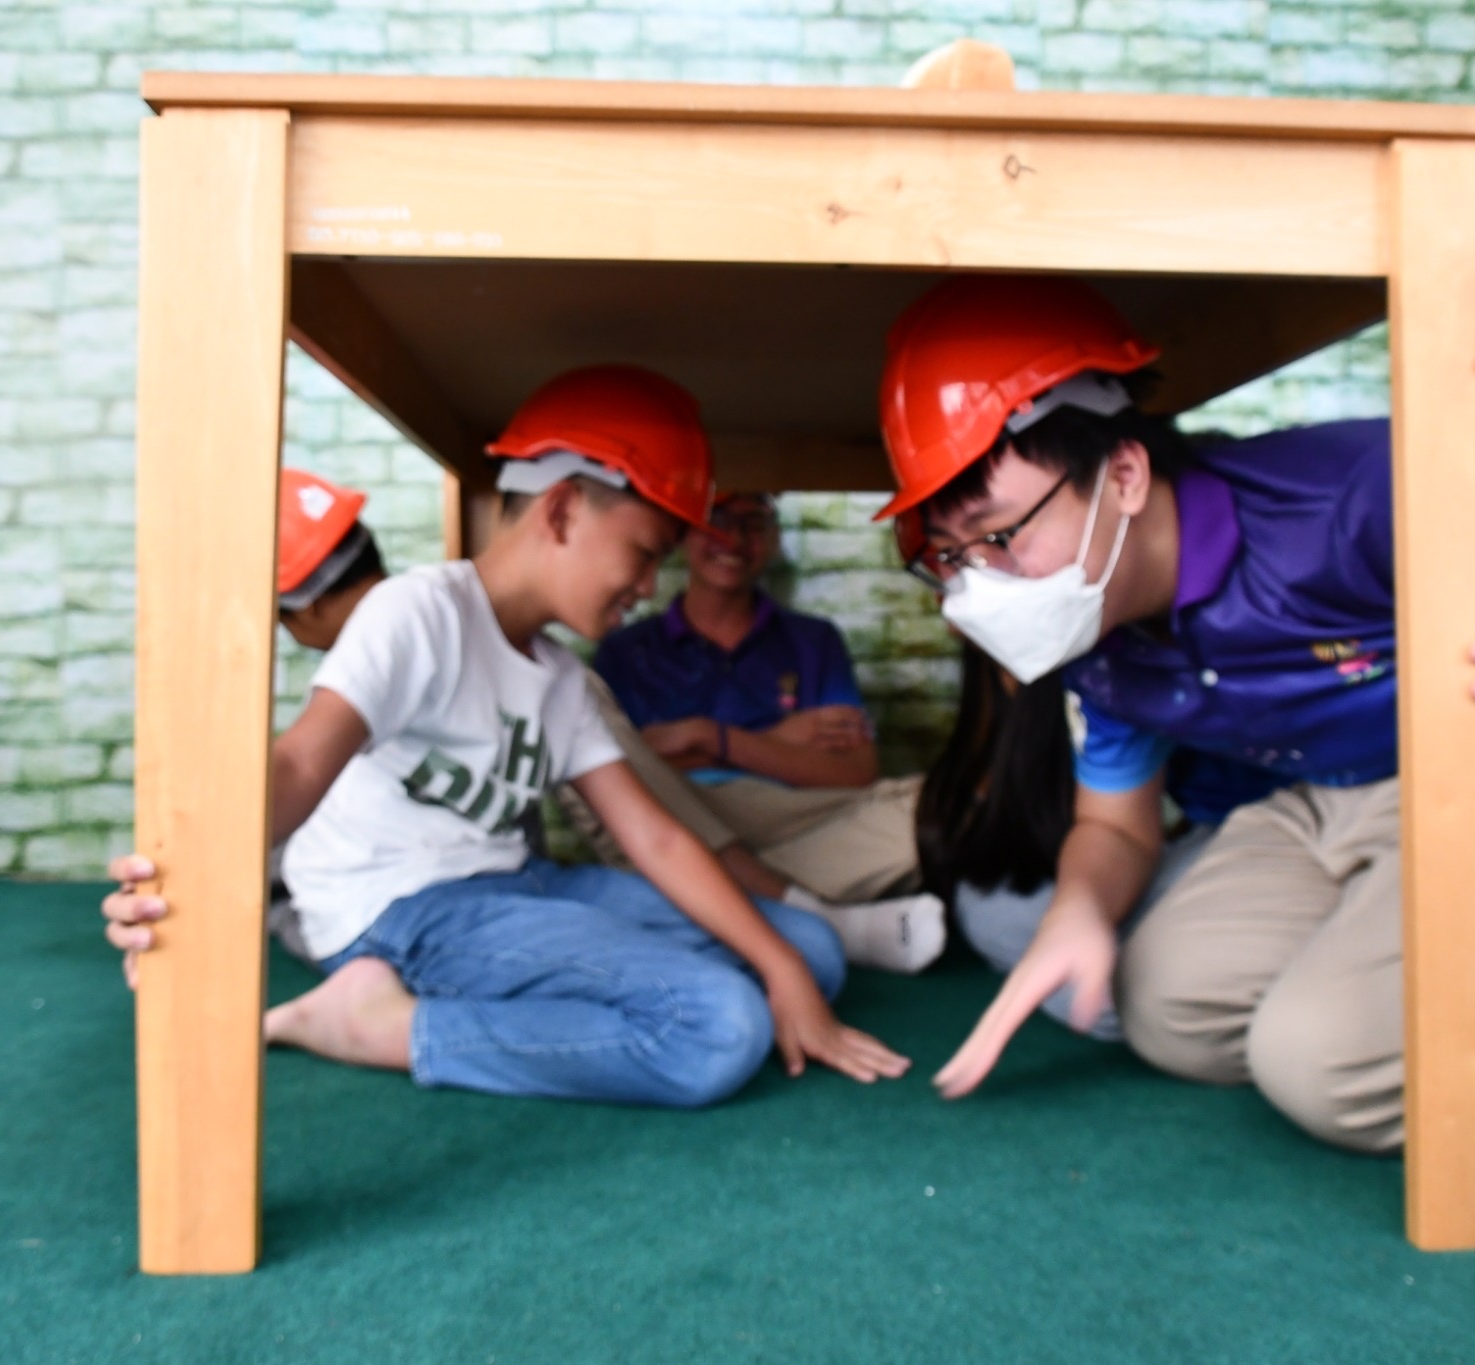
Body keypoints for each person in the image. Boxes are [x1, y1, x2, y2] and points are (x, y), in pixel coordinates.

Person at [878, 274, 1475, 1153]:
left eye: (999, 536)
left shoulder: (1369, 494)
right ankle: (1399, 995)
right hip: (1365, 789)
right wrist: (1076, 908)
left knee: (1327, 1066)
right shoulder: (1097, 629)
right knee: (1170, 1008)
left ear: (1123, 473)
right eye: (951, 557)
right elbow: (1115, 824)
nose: (980, 585)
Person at [104, 365, 908, 1107]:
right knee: (719, 1025)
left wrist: (780, 965)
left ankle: (553, 991)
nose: (646, 585)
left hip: (517, 882)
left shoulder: (560, 676)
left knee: (809, 951)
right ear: (560, 510)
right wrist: (183, 871)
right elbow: (298, 762)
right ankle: (377, 1023)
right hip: (400, 907)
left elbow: (657, 839)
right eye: (643, 554)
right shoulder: (417, 611)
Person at [565, 490, 945, 974]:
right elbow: (617, 767)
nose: (734, 540)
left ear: (774, 538)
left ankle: (715, 902)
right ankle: (815, 915)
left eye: (753, 523)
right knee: (575, 707)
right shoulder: (627, 649)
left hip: (790, 816)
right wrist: (780, 740)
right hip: (674, 816)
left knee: (942, 806)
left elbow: (855, 771)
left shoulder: (812, 640)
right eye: (717, 521)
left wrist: (710, 739)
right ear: (683, 535)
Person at [913, 635, 1283, 1042]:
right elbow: (1117, 827)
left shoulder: (1141, 659)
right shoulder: (1102, 688)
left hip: (1272, 837)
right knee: (1000, 913)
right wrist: (1078, 909)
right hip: (1165, 854)